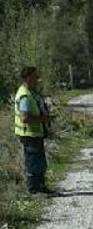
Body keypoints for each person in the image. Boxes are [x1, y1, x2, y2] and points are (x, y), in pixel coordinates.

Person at [14, 66, 54, 195]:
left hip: (35, 134)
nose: (37, 79)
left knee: (40, 163)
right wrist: (44, 119)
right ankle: (34, 190)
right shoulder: (25, 96)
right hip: (29, 135)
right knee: (33, 163)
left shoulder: (31, 93)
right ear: (28, 78)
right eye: (35, 76)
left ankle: (41, 187)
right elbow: (25, 118)